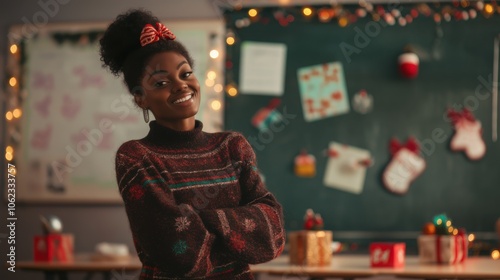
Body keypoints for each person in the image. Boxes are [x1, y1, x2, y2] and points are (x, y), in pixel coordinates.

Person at [99, 9, 285, 280]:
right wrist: (238, 227)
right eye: (161, 82)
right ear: (140, 98)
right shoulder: (136, 157)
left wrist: (201, 221)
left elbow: (272, 234)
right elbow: (178, 253)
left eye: (185, 74)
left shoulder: (233, 146)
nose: (180, 86)